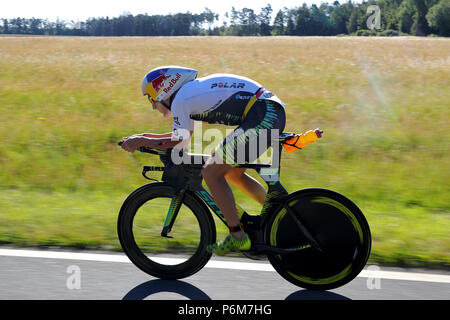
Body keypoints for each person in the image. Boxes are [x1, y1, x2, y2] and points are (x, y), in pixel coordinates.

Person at [120, 66, 286, 255]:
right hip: (270, 112)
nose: (152, 105)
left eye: (151, 98)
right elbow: (181, 135)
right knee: (231, 173)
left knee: (210, 173)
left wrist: (142, 140)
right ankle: (278, 217)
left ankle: (238, 236)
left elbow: (178, 140)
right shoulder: (191, 95)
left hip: (263, 116)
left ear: (163, 89)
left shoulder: (181, 99)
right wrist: (143, 137)